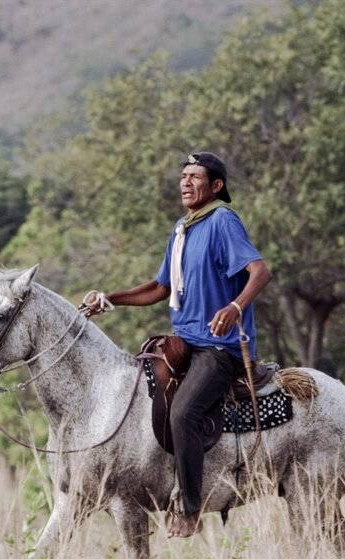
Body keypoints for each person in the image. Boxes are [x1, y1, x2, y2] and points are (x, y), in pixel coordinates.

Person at [83, 151, 271, 538]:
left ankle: (189, 507)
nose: (185, 182)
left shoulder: (222, 220)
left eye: (195, 176)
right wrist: (110, 299)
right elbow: (160, 288)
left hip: (219, 348)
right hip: (185, 341)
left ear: (216, 185)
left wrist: (235, 307)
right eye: (183, 176)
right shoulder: (182, 228)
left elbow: (260, 271)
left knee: (183, 413)